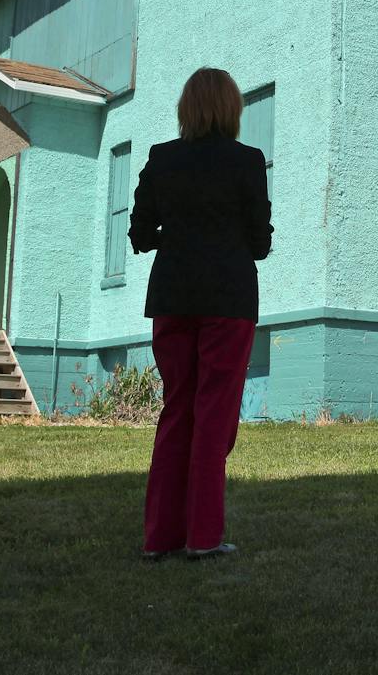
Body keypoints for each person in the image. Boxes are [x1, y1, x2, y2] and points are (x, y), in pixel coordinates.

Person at [129, 67, 273, 560]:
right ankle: (204, 538)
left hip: (172, 298)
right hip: (229, 300)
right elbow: (260, 243)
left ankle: (159, 539)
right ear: (231, 110)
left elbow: (141, 236)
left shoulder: (160, 159)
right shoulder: (248, 161)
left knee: (177, 412)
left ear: (185, 109)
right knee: (214, 417)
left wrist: (180, 238)